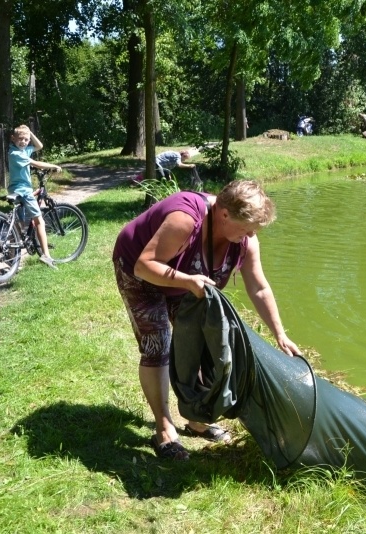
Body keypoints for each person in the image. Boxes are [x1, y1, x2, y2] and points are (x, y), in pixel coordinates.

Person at [112, 180, 300, 461]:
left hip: (185, 281)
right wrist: (187, 280)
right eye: (246, 227)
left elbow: (259, 288)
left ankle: (196, 418)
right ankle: (164, 429)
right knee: (158, 344)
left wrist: (280, 334)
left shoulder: (246, 242)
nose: (250, 234)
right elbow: (145, 265)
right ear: (224, 214)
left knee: (201, 346)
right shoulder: (185, 219)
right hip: (141, 273)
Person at [8, 125, 63, 269]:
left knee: (18, 225)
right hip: (23, 190)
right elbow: (36, 164)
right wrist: (53, 166)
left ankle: (12, 261)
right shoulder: (16, 154)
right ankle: (46, 256)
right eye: (20, 139)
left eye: (26, 139)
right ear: (13, 139)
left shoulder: (23, 150)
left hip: (15, 189)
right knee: (39, 221)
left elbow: (39, 146)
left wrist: (30, 133)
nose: (24, 142)